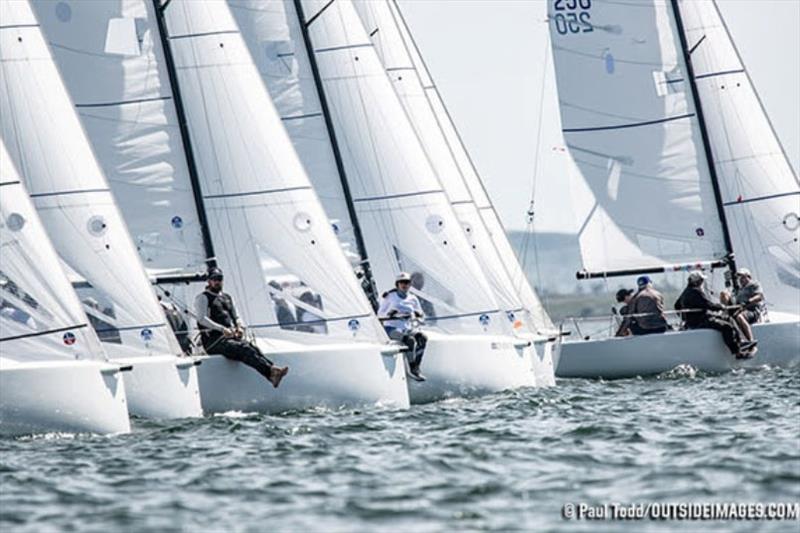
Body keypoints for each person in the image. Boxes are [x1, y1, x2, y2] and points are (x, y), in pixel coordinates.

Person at [195, 267, 288, 387]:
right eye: (214, 279)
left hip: (229, 338)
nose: (217, 281)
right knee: (243, 348)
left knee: (252, 347)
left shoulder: (227, 297)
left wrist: (240, 326)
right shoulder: (203, 298)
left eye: (219, 278)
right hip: (213, 342)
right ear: (208, 281)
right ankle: (271, 372)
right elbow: (201, 319)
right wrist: (222, 329)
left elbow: (236, 316)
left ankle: (272, 372)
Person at [674, 271, 757, 358]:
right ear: (696, 281)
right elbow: (708, 305)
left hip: (697, 319)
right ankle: (737, 352)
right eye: (701, 280)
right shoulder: (695, 291)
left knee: (729, 318)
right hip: (699, 321)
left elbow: (676, 306)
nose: (702, 282)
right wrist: (720, 307)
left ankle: (741, 341)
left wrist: (684, 318)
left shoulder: (686, 292)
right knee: (726, 327)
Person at [378, 272, 427, 381]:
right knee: (410, 340)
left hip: (407, 327)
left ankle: (417, 367)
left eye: (407, 282)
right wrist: (392, 314)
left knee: (422, 338)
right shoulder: (390, 296)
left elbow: (421, 314)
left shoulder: (413, 298)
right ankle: (412, 368)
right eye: (402, 282)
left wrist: (417, 315)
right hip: (391, 328)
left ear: (410, 284)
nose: (404, 285)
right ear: (397, 284)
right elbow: (380, 314)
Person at [720, 268, 765, 342]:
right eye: (739, 278)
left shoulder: (754, 284)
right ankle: (737, 340)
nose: (740, 279)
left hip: (752, 311)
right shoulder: (739, 289)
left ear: (748, 277)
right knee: (723, 294)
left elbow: (760, 297)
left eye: (743, 277)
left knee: (739, 316)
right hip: (740, 309)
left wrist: (747, 302)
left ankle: (750, 340)